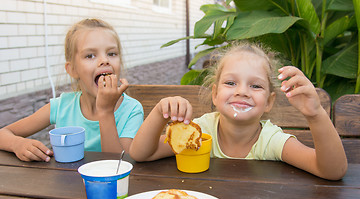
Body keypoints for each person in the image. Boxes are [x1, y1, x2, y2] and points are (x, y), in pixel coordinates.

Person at [129, 42, 347, 180]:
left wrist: (315, 114)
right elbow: (141, 154)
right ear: (215, 94)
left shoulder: (271, 140)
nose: (242, 92)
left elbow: (332, 170)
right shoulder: (200, 132)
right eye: (231, 83)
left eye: (255, 86)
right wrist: (159, 113)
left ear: (269, 102)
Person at [0, 18, 144, 162]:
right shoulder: (62, 106)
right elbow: (3, 133)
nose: (104, 60)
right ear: (73, 69)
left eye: (112, 53)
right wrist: (17, 144)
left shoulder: (131, 110)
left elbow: (120, 164)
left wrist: (105, 111)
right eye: (90, 55)